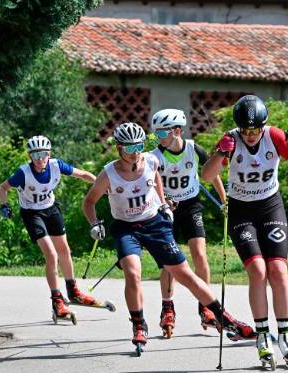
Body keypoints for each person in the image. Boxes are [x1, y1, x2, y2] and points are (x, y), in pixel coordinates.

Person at [82, 122, 255, 354]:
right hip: (126, 227)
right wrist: (95, 223)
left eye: (138, 146)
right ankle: (138, 324)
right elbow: (89, 201)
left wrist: (163, 204)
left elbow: (156, 179)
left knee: (185, 275)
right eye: (128, 148)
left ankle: (224, 318)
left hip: (155, 224)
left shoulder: (151, 161)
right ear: (119, 149)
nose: (134, 152)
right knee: (133, 273)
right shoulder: (109, 173)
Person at [202, 95, 288, 367]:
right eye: (246, 131)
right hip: (241, 210)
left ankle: (285, 335)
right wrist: (220, 153)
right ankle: (263, 336)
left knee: (278, 270)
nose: (250, 136)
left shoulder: (273, 136)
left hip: (270, 207)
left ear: (263, 126)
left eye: (255, 131)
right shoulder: (231, 139)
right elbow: (206, 175)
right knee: (258, 271)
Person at [0, 135, 114, 324]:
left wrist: (103, 186)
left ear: (49, 154)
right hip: (32, 214)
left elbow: (83, 174)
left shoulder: (56, 165)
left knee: (65, 250)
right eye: (35, 155)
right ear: (30, 156)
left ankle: (72, 291)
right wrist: (4, 205)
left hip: (51, 209)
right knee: (51, 255)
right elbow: (2, 188)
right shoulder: (23, 173)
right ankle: (56, 300)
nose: (40, 159)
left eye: (43, 154)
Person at [149, 108, 227, 338]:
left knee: (200, 255)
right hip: (168, 209)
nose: (158, 136)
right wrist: (162, 202)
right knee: (169, 263)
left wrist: (225, 201)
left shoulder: (194, 149)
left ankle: (206, 307)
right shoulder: (155, 156)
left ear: (177, 131)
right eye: (156, 132)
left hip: (191, 205)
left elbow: (212, 175)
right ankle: (167, 307)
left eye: (162, 132)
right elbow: (150, 185)